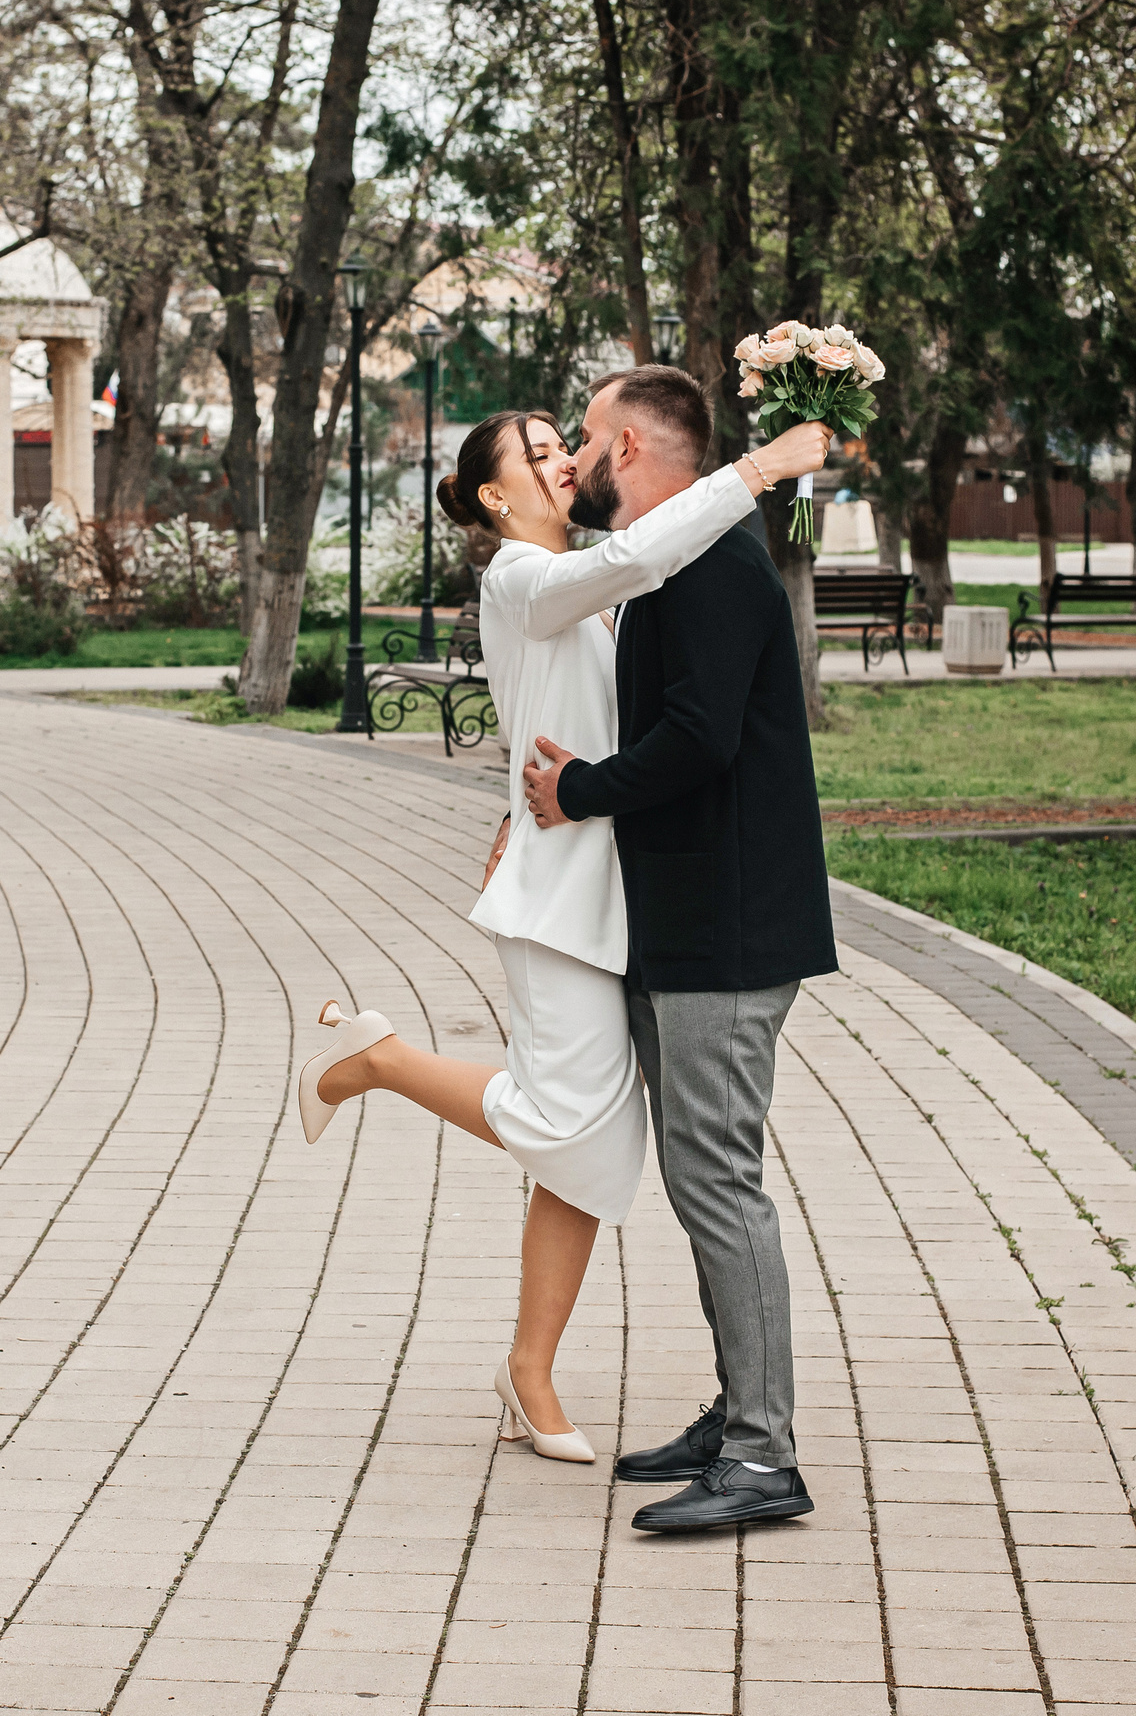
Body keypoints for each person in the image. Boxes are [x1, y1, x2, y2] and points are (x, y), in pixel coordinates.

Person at [289, 399, 830, 1467]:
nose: (563, 460)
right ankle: (375, 1059)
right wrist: (758, 469)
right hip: (558, 903)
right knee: (568, 1125)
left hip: (612, 892)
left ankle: (528, 1365)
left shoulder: (584, 579)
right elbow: (634, 558)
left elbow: (589, 704)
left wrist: (527, 796)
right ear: (495, 496)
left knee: (591, 1146)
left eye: (564, 443)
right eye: (539, 454)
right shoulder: (521, 577)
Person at [518, 364, 839, 1533]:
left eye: (585, 434)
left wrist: (579, 791)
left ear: (631, 448)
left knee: (717, 1181)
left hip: (729, 926)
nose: (572, 457)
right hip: (684, 918)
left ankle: (762, 1454)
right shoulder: (670, 558)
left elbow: (698, 737)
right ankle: (736, 1411)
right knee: (702, 1177)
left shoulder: (712, 563)